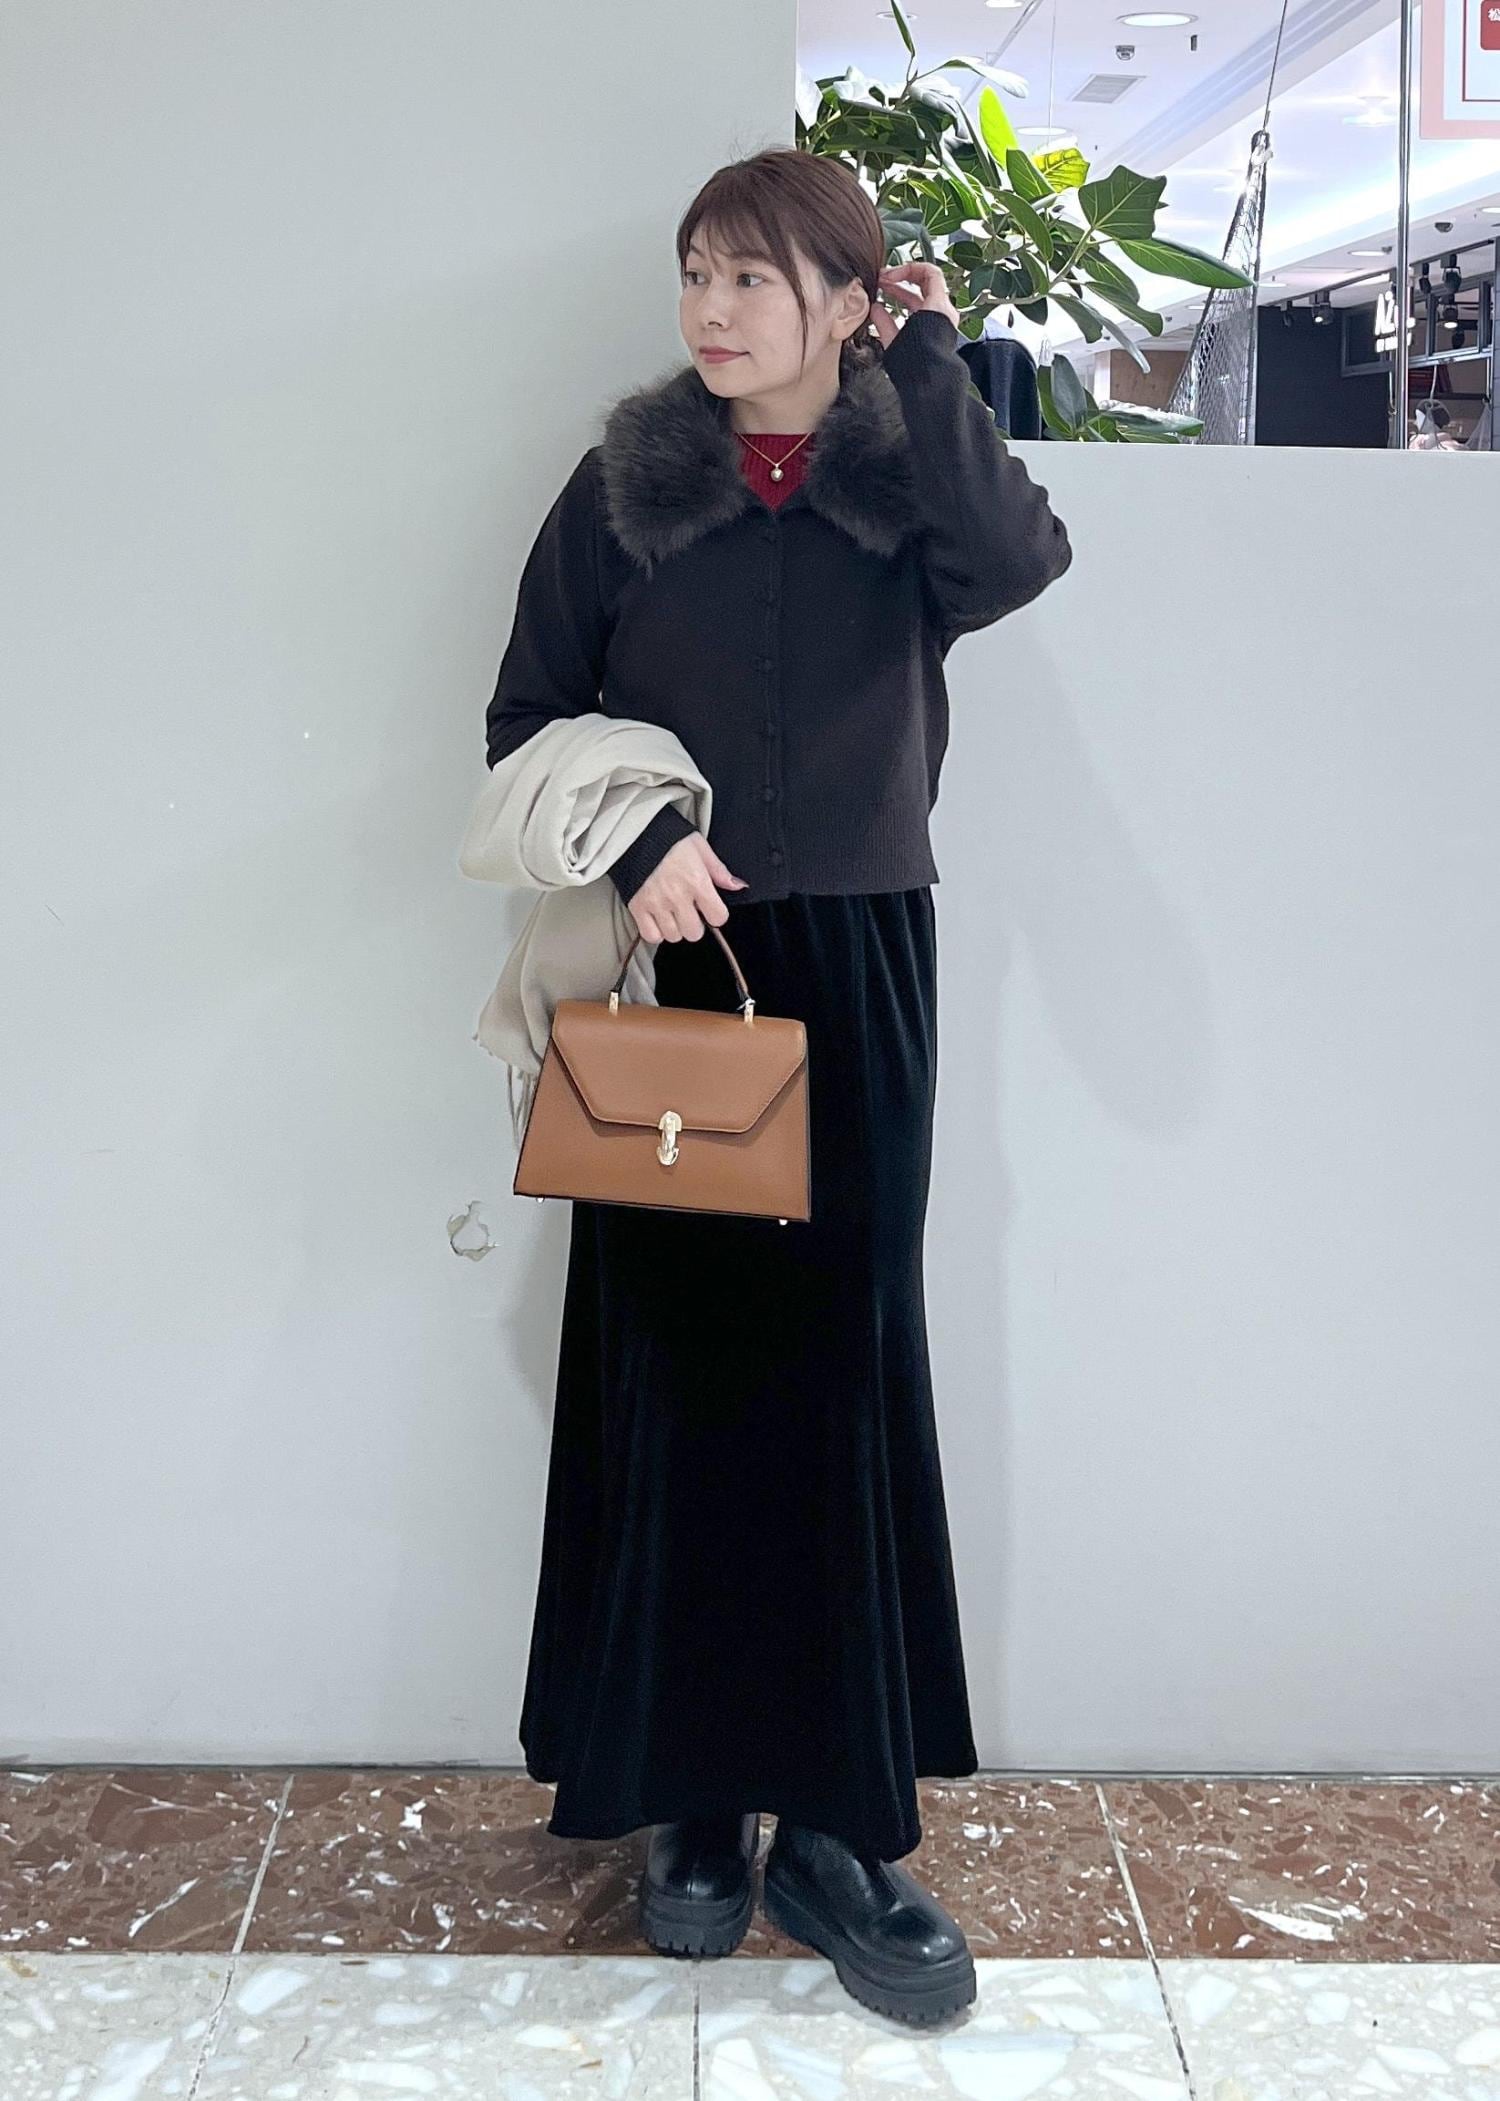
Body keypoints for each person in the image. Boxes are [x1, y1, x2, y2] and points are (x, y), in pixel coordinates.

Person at [484, 146, 1073, 2026]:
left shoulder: (907, 473)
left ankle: (834, 1829)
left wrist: (933, 361)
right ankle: (687, 1800)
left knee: (839, 1382)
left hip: (861, 974)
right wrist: (644, 831)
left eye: (752, 276)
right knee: (675, 1377)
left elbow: (1020, 563)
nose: (713, 309)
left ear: (846, 296)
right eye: (696, 273)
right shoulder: (626, 485)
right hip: (682, 983)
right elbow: (523, 713)